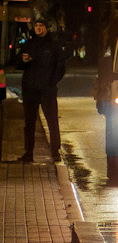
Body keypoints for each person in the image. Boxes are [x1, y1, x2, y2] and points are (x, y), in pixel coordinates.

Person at [18, 19, 67, 164]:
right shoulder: (29, 43)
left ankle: (55, 152)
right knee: (29, 123)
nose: (38, 28)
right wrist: (24, 61)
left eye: (41, 26)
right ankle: (28, 153)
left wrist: (52, 82)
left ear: (46, 28)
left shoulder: (53, 44)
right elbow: (19, 63)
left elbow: (61, 66)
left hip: (47, 90)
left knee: (52, 122)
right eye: (36, 26)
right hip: (30, 89)